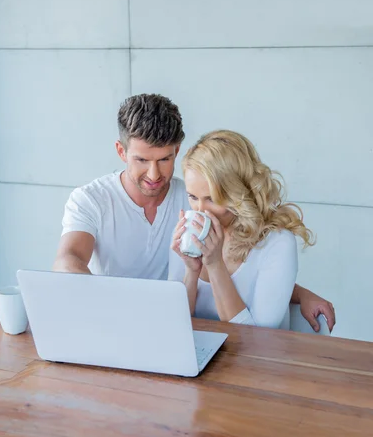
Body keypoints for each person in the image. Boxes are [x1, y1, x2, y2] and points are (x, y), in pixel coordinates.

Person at [53, 94, 335, 332]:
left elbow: (253, 268)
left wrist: (297, 293)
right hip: (121, 323)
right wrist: (112, 308)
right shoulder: (92, 199)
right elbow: (68, 260)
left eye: (165, 159)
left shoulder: (187, 197)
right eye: (141, 160)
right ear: (121, 151)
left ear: (177, 151)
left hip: (181, 335)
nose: (154, 174)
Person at [169, 130, 322, 329]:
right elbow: (173, 322)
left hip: (255, 358)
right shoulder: (189, 232)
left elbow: (257, 336)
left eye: (212, 199)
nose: (200, 210)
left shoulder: (277, 243)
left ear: (238, 192)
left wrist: (215, 266)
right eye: (193, 197)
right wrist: (191, 271)